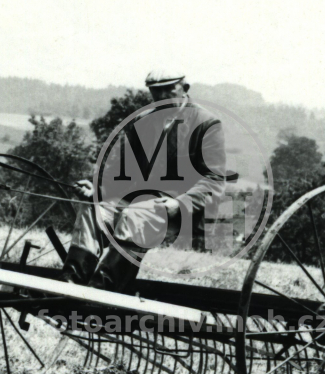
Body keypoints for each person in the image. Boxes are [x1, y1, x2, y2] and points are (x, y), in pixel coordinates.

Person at [67, 69, 232, 291]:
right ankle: (70, 285)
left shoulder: (206, 123)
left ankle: (103, 293)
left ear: (185, 89)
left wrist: (180, 203)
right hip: (135, 205)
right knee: (93, 210)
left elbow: (213, 179)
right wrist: (98, 190)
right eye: (156, 91)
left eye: (168, 89)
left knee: (135, 216)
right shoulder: (142, 123)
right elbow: (121, 171)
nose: (162, 95)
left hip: (177, 211)